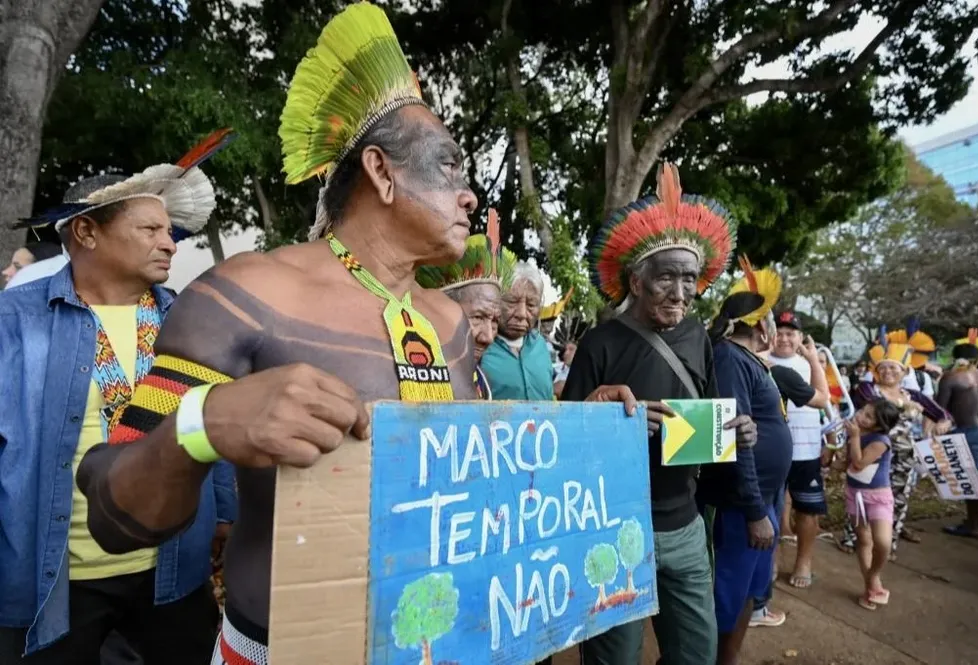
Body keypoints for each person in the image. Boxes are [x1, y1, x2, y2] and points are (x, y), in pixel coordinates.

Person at [72, 7, 636, 663]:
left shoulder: (452, 322)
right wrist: (204, 423)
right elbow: (112, 518)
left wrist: (578, 430)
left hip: (442, 644)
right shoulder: (246, 294)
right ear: (381, 170)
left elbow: (484, 479)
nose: (470, 196)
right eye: (450, 167)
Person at [0, 163, 235, 663]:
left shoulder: (189, 320)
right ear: (86, 231)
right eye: (150, 229)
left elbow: (215, 419)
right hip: (58, 582)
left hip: (172, 569)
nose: (170, 243)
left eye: (169, 231)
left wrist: (226, 511)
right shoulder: (14, 322)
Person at [562, 162, 756, 665]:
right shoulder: (599, 344)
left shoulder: (696, 335)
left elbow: (711, 414)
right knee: (614, 660)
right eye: (666, 277)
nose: (680, 291)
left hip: (686, 527)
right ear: (636, 280)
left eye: (689, 279)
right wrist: (602, 417)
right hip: (616, 531)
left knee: (696, 651)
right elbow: (565, 441)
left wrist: (739, 431)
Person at [698, 258, 792, 664]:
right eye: (770, 319)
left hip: (761, 500)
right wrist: (755, 509)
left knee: (750, 594)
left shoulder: (750, 361)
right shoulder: (730, 359)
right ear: (759, 323)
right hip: (740, 507)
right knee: (725, 598)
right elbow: (735, 438)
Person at [838, 334, 951, 557]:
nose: (888, 372)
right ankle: (853, 539)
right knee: (861, 494)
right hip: (871, 453)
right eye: (884, 368)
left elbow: (941, 413)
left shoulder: (915, 394)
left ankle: (888, 543)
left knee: (898, 498)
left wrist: (943, 423)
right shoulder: (867, 389)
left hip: (903, 456)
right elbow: (876, 404)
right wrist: (906, 404)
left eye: (894, 368)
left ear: (905, 371)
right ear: (877, 371)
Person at [416, 207, 517, 399]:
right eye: (478, 317)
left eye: (495, 321)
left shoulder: (481, 380)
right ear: (440, 310)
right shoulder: (410, 375)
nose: (488, 336)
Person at [768, 311, 829, 589]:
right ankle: (771, 561)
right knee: (770, 509)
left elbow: (826, 401)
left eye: (790, 333)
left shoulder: (810, 365)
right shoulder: (760, 360)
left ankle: (804, 561)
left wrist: (814, 358)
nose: (784, 338)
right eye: (779, 332)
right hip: (773, 451)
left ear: (800, 338)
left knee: (807, 510)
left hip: (807, 451)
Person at [939, 329, 978, 538]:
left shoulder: (952, 378)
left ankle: (973, 525)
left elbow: (941, 410)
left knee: (971, 480)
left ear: (955, 357)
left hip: (968, 432)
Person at [844, 399, 902, 611]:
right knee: (864, 539)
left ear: (879, 425)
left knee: (883, 541)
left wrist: (855, 437)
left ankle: (873, 574)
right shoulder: (856, 432)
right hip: (854, 494)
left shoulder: (880, 440)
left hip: (878, 496)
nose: (860, 416)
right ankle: (870, 585)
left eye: (868, 416)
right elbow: (848, 462)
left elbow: (859, 463)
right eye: (862, 411)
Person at [480, 261, 554, 400]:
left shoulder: (540, 346)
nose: (521, 314)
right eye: (512, 302)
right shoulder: (480, 347)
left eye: (531, 305)